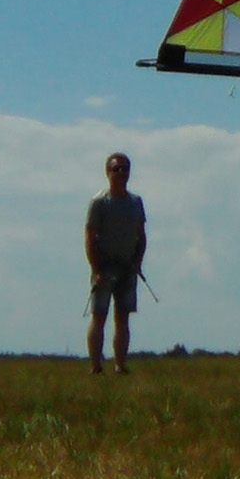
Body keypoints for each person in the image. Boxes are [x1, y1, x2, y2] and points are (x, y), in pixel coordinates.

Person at [84, 151, 147, 374]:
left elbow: (142, 235)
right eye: (115, 169)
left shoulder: (136, 202)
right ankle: (96, 366)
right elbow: (90, 237)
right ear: (107, 172)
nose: (120, 173)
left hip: (127, 267)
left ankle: (120, 365)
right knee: (99, 316)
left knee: (123, 317)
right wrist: (95, 269)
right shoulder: (98, 203)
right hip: (104, 267)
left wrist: (138, 262)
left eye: (124, 169)